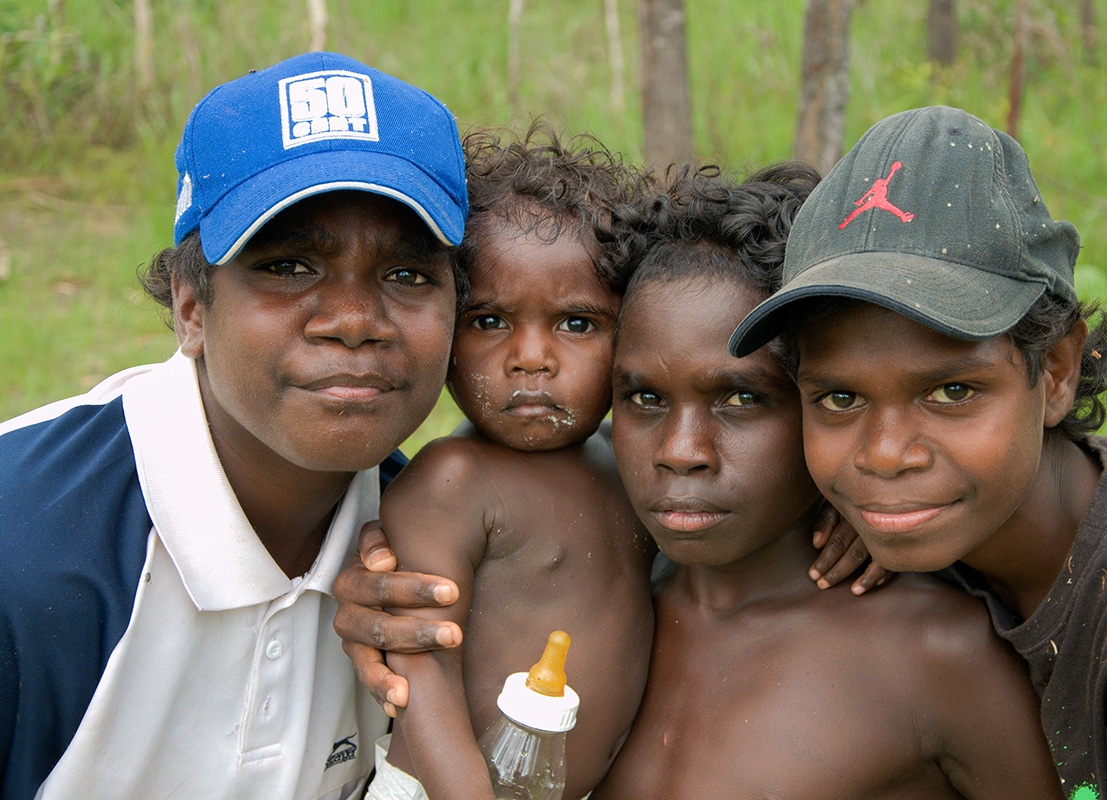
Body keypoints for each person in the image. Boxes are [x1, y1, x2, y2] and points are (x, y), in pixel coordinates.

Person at [727, 105, 1107, 799]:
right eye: (840, 400)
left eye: (952, 391)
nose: (887, 455)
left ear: (1055, 371)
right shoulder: (967, 525)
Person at [0, 52, 467, 800]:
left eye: (407, 275)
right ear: (191, 304)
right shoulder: (23, 549)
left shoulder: (431, 559)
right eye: (289, 266)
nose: (353, 321)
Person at [591, 163, 1061, 798]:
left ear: (827, 403)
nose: (681, 452)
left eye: (740, 400)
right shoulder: (594, 588)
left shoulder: (936, 653)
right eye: (643, 397)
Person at [365, 124, 657, 800]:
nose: (531, 357)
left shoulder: (628, 463)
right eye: (489, 321)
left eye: (577, 323)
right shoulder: (451, 483)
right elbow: (421, 681)